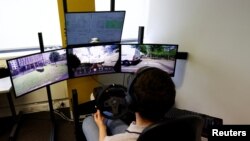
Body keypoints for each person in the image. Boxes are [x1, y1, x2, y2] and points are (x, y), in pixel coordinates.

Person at [82, 67, 176, 141]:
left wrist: (101, 126)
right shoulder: (179, 130)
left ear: (130, 101)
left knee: (88, 121)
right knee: (110, 118)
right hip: (143, 132)